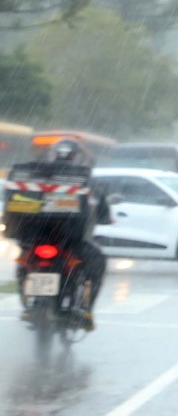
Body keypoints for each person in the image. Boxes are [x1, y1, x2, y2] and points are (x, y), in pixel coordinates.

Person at [13, 139, 109, 331]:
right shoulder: (84, 178)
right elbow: (102, 212)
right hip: (70, 242)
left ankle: (26, 303)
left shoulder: (35, 174)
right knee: (98, 263)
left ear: (54, 154)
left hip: (35, 238)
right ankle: (87, 310)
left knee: (23, 263)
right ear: (75, 157)